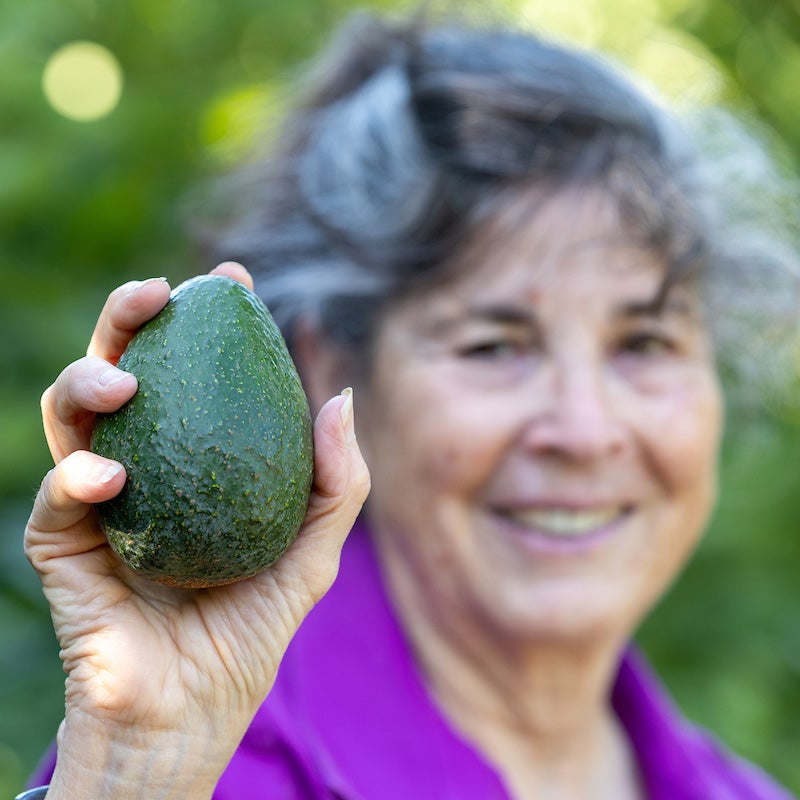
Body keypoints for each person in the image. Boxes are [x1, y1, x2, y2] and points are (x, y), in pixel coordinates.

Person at [20, 9, 799, 800]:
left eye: (645, 344)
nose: (585, 430)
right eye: (493, 345)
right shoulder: (202, 762)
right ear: (331, 373)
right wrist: (136, 765)